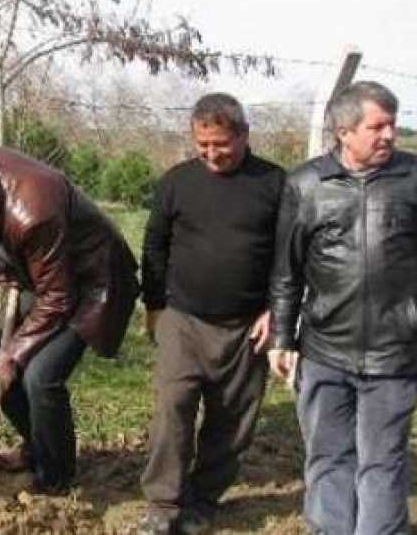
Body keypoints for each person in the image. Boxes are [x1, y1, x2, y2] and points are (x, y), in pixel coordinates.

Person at [269, 80, 417, 535]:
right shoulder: (307, 184)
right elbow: (287, 270)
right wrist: (281, 337)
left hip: (396, 350)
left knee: (382, 461)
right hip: (325, 348)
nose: (390, 135)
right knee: (328, 456)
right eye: (378, 126)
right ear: (344, 131)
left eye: (393, 124)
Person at [0, 147, 139, 494]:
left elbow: (58, 299)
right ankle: (37, 447)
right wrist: (4, 271)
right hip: (44, 274)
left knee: (41, 377)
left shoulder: (32, 212)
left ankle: (56, 479)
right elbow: (35, 277)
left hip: (93, 283)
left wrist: (14, 353)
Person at [137, 93, 285, 535]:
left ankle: (203, 500)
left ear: (242, 135)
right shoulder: (178, 182)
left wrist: (276, 310)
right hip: (183, 318)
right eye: (202, 144)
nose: (211, 153)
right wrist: (155, 305)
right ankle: (163, 505)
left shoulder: (275, 183)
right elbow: (154, 244)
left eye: (220, 143)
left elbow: (290, 255)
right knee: (173, 406)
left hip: (247, 325)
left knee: (232, 417)